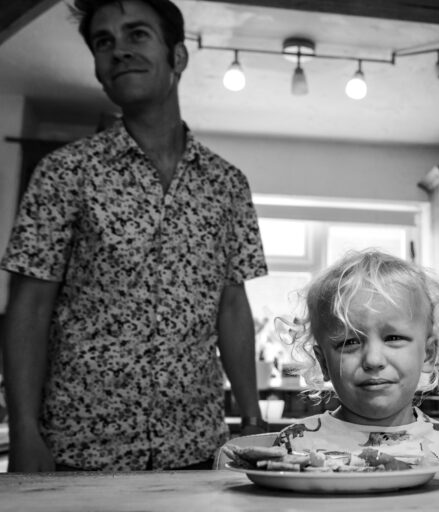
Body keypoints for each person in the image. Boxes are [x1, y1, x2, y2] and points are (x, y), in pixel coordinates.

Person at [0, 0, 268, 472]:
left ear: (177, 57)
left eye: (137, 34)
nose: (119, 50)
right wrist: (23, 430)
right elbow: (29, 307)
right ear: (99, 70)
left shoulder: (227, 184)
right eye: (104, 42)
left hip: (196, 448)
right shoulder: (64, 173)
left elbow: (231, 304)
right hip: (81, 449)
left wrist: (251, 418)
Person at [275, 250, 439, 467]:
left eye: (393, 338)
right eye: (349, 342)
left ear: (428, 354)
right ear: (324, 363)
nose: (373, 360)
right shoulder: (295, 446)